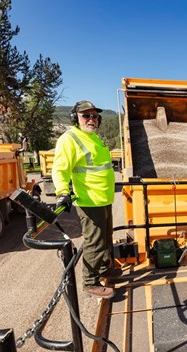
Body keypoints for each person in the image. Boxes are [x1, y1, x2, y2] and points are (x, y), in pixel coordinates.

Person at [52, 100, 118, 298]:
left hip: (103, 198)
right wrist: (62, 192)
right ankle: (90, 282)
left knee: (105, 238)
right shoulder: (69, 139)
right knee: (94, 242)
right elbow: (60, 168)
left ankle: (104, 269)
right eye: (86, 115)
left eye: (95, 116)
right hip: (89, 200)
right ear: (75, 118)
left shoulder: (93, 137)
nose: (92, 119)